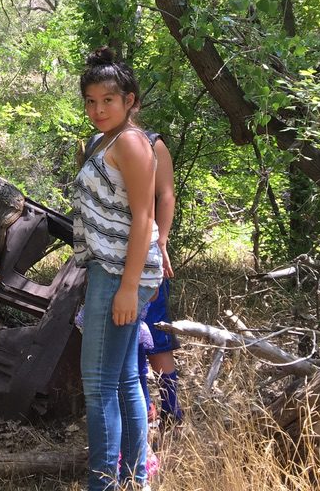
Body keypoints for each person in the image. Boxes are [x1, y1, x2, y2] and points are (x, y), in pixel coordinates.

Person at [72, 47, 164, 491]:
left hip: (120, 274)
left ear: (130, 100)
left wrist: (129, 287)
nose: (98, 109)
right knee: (125, 378)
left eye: (108, 99)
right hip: (106, 269)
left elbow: (145, 218)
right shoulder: (100, 141)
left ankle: (103, 484)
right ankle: (135, 480)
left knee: (97, 386)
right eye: (90, 101)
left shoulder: (132, 142)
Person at [139, 130, 184, 429]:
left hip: (147, 252)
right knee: (130, 341)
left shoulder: (152, 142)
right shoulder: (98, 142)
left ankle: (171, 412)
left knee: (156, 335)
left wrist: (161, 243)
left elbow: (166, 194)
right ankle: (143, 411)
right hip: (110, 257)